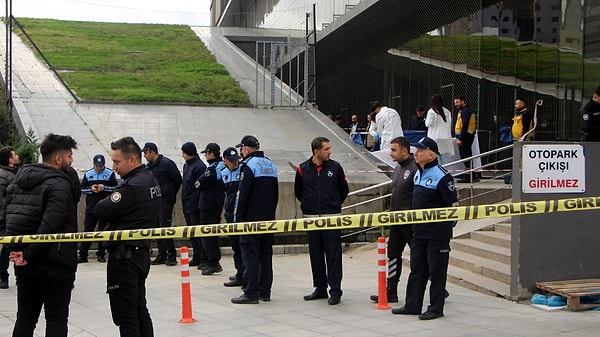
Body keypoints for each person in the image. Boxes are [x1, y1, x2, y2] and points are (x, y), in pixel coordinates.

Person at [1, 134, 78, 336]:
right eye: (70, 156)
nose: (72, 161)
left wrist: (16, 251)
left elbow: (6, 218)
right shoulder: (60, 184)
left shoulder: (17, 181)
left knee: (25, 318)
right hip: (55, 263)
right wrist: (26, 254)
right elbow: (51, 227)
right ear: (58, 159)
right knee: (56, 319)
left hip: (25, 263)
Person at [95, 136, 161, 337]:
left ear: (132, 160)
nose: (114, 167)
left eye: (117, 162)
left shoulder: (132, 186)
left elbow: (101, 210)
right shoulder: (149, 178)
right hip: (139, 253)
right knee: (139, 308)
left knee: (127, 315)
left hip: (125, 256)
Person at [392, 136, 458, 320]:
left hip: (437, 235)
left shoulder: (442, 176)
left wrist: (444, 228)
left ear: (431, 154)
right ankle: (412, 304)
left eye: (420, 150)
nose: (416, 153)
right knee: (417, 270)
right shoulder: (418, 173)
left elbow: (453, 207)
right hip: (419, 233)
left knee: (437, 273)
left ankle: (436, 308)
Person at [295, 137, 349, 305]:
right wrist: (309, 205)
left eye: (329, 148)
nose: (329, 152)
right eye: (326, 149)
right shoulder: (302, 169)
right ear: (316, 151)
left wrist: (332, 205)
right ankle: (320, 288)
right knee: (316, 255)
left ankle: (335, 290)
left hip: (331, 218)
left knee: (333, 255)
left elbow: (343, 190)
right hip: (311, 219)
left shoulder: (335, 167)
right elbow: (298, 191)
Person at [231, 135, 279, 304]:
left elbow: (242, 194)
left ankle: (250, 292)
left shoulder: (248, 165)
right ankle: (265, 291)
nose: (240, 152)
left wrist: (239, 218)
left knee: (250, 255)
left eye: (241, 149)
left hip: (251, 220)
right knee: (265, 255)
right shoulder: (271, 165)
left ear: (247, 149)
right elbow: (275, 195)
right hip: (268, 218)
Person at [370, 137, 418, 303]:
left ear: (404, 151)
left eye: (393, 150)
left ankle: (437, 284)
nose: (390, 153)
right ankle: (391, 290)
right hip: (396, 221)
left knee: (419, 256)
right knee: (393, 254)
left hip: (410, 222)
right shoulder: (398, 168)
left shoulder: (415, 168)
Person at [142, 142, 182, 266]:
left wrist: (169, 193)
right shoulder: (149, 167)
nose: (144, 156)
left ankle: (171, 254)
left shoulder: (166, 164)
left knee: (165, 226)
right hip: (154, 201)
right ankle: (162, 253)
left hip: (165, 200)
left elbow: (177, 180)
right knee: (157, 227)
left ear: (152, 152)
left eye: (145, 153)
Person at [78, 154, 119, 263]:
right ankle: (83, 254)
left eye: (100, 166)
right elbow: (82, 189)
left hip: (105, 208)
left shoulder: (110, 174)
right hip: (91, 208)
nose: (99, 168)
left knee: (103, 232)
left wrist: (104, 188)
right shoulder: (88, 174)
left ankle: (101, 254)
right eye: (97, 166)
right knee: (87, 232)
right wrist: (91, 189)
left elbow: (115, 188)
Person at [195, 143, 225, 275]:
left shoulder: (213, 168)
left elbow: (199, 183)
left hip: (208, 205)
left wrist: (198, 182)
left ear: (211, 154)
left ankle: (213, 261)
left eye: (206, 153)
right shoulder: (223, 165)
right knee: (213, 233)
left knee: (207, 232)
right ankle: (212, 259)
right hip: (216, 204)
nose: (205, 156)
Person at [180, 141, 207, 269]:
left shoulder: (198, 166)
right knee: (191, 232)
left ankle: (202, 257)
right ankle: (197, 255)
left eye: (184, 153)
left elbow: (200, 186)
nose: (182, 155)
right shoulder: (187, 166)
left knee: (197, 232)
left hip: (194, 204)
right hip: (187, 202)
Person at [220, 146, 243, 287]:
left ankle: (245, 274)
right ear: (225, 161)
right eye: (232, 160)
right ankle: (239, 272)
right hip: (229, 213)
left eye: (236, 160)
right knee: (235, 245)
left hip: (240, 213)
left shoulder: (243, 170)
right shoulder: (223, 172)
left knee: (243, 246)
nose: (235, 163)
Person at [0, 146, 20, 289]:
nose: (18, 156)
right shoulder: (4, 176)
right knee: (7, 247)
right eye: (15, 155)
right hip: (7, 217)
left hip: (12, 215)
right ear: (10, 160)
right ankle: (3, 275)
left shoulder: (14, 174)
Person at [453, 96, 478, 183]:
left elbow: (465, 125)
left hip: (465, 137)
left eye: (457, 102)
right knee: (467, 156)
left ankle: (468, 176)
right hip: (466, 136)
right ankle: (473, 175)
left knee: (465, 156)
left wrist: (460, 138)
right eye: (455, 102)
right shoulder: (465, 110)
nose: (456, 104)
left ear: (463, 102)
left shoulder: (466, 111)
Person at [425, 94, 454, 164]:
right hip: (445, 137)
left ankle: (437, 174)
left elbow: (428, 124)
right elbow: (449, 123)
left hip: (434, 138)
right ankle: (444, 173)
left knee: (435, 158)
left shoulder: (431, 111)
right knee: (444, 158)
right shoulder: (447, 111)